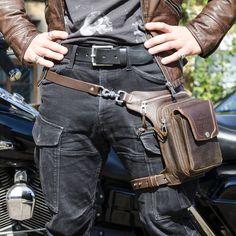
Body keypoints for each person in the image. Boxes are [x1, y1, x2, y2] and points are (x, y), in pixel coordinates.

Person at [0, 1, 235, 235]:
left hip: (149, 75)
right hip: (68, 80)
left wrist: (202, 32)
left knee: (166, 222)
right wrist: (21, 33)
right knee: (66, 224)